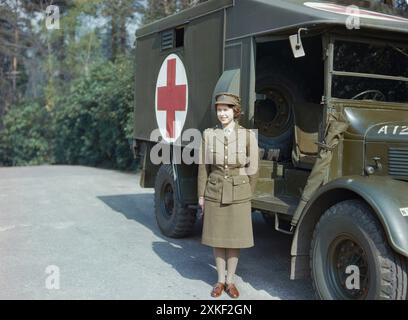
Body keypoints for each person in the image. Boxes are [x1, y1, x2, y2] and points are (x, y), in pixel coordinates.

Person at [197, 92, 259, 299]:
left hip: (239, 191)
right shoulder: (208, 134)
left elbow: (254, 168)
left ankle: (231, 280)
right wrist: (201, 195)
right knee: (218, 237)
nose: (222, 114)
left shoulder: (247, 136)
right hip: (214, 189)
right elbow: (203, 167)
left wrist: (247, 192)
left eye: (226, 110)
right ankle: (220, 280)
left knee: (234, 239)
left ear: (235, 111)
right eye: (219, 110)